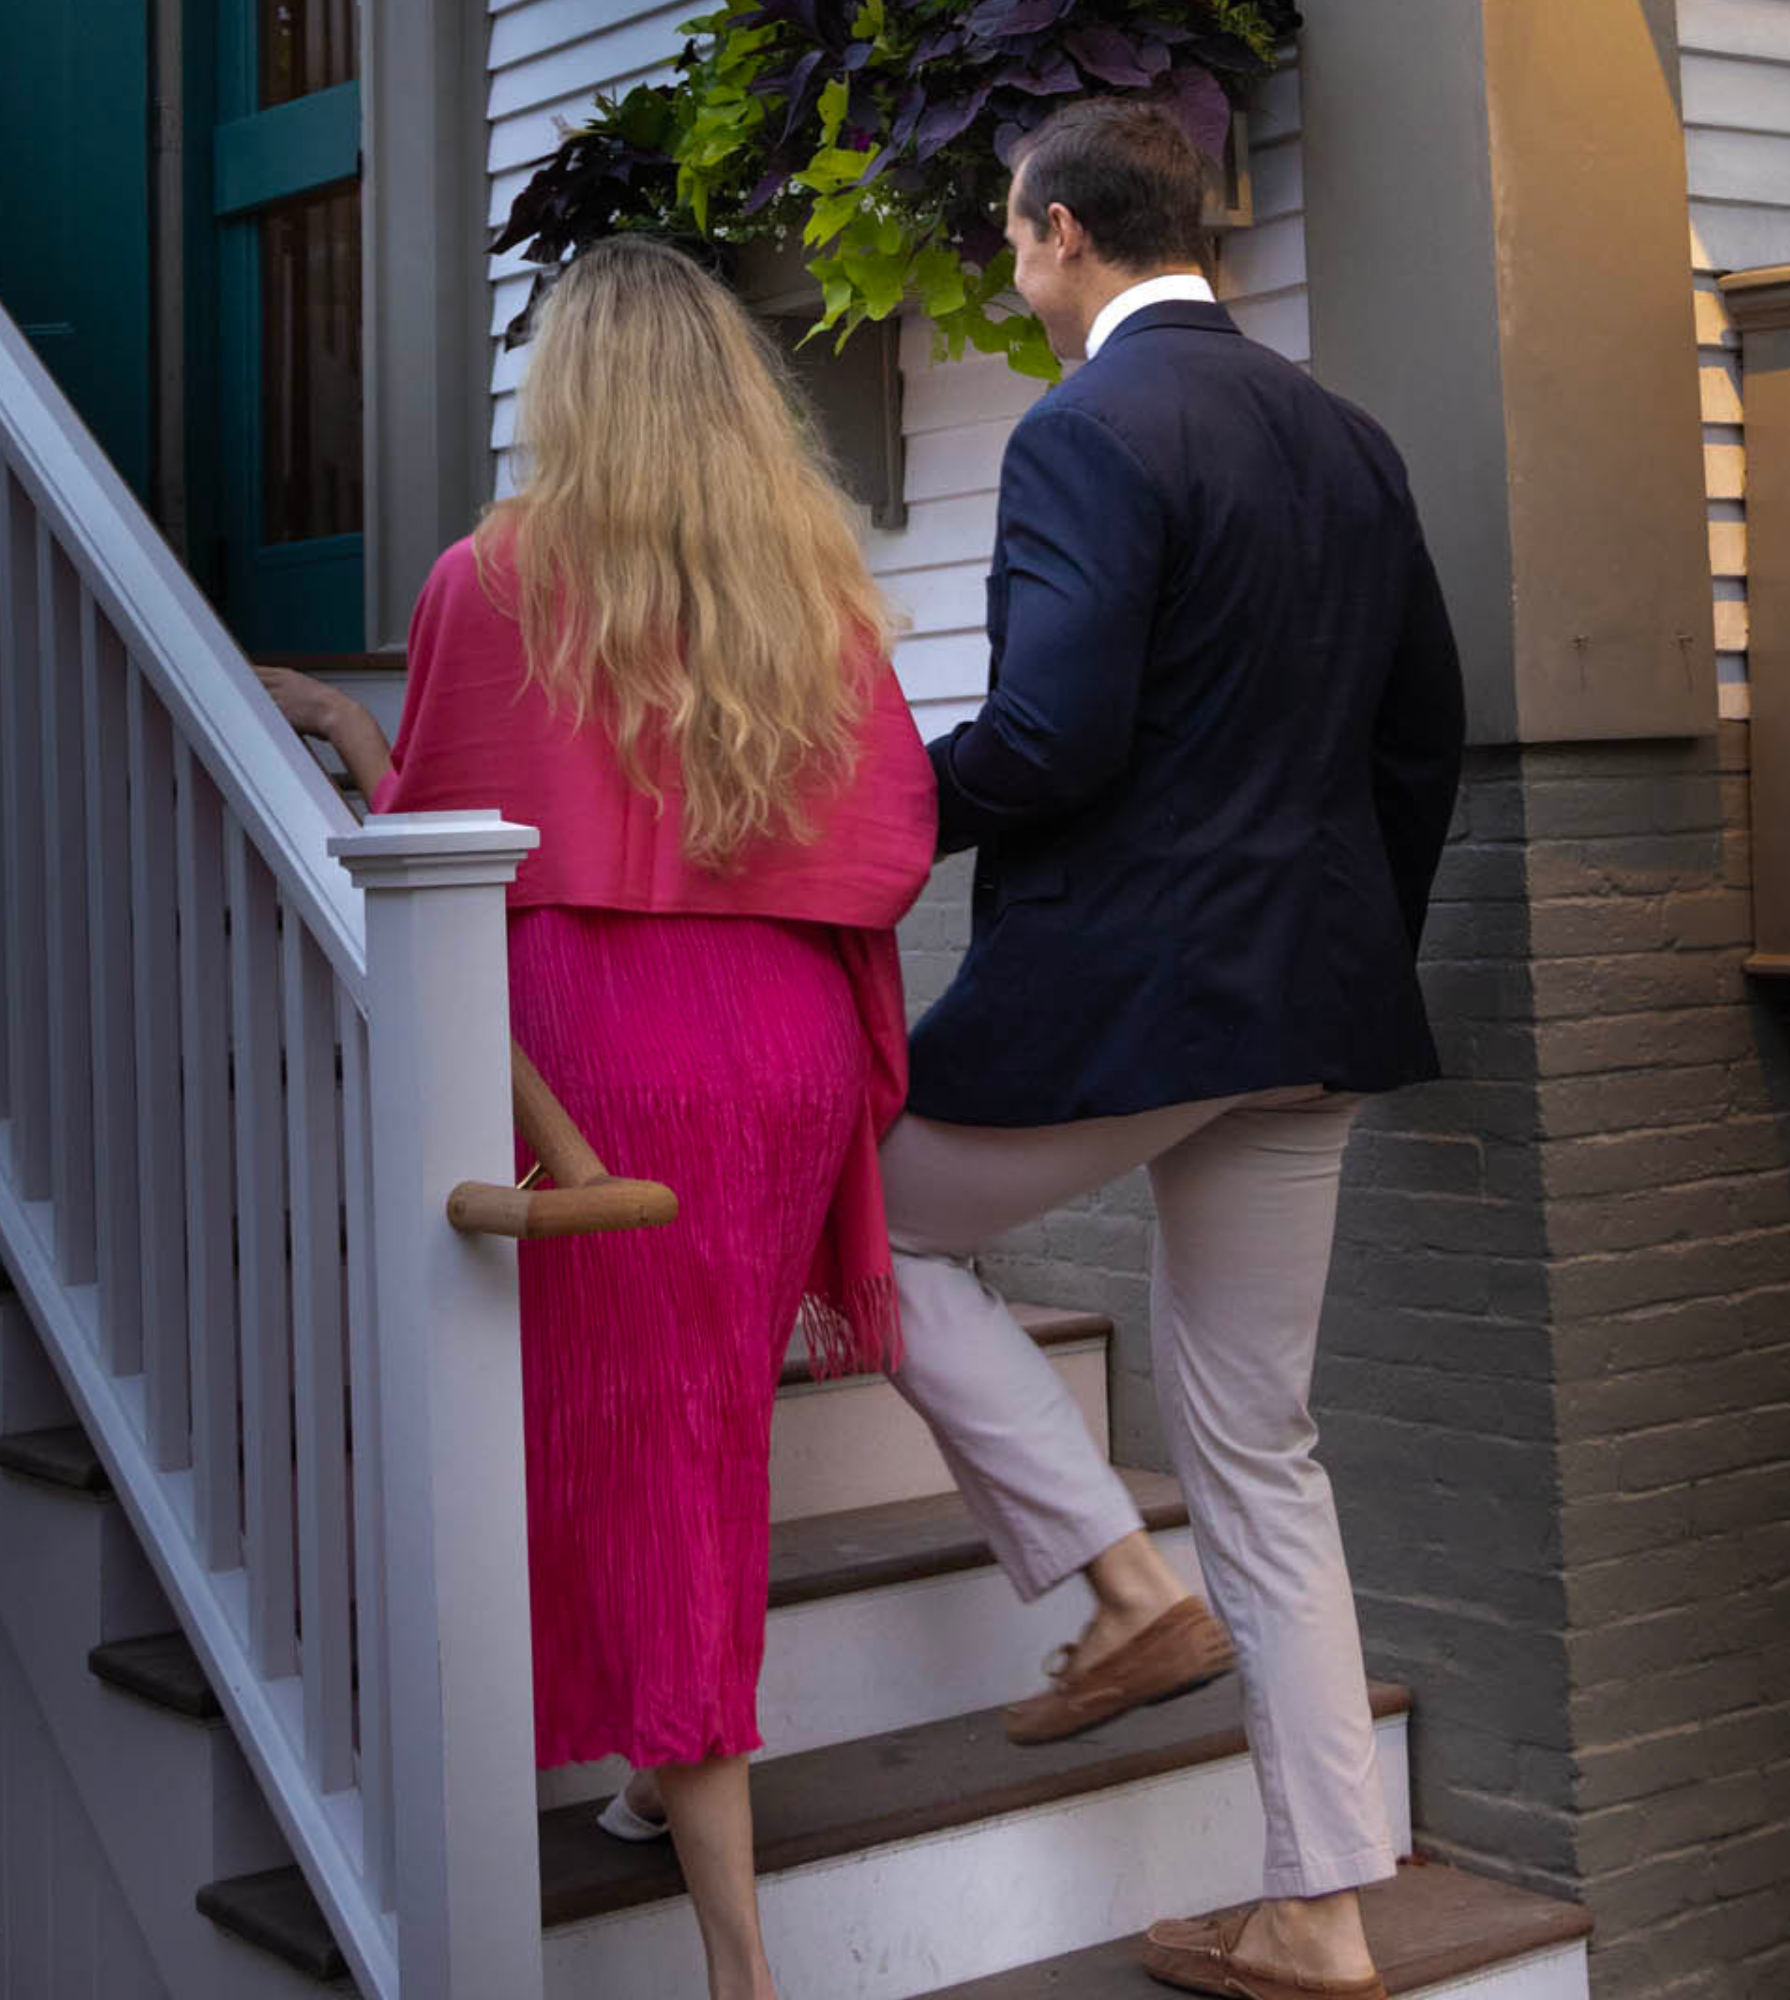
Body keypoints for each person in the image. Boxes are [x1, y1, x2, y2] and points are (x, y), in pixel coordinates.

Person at [257, 235, 937, 2000]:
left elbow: (436, 829)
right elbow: (889, 844)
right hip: (776, 1047)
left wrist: (342, 723)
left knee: (614, 1453)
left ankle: (739, 1958)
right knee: (697, 1437)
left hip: (593, 1057)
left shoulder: (491, 575)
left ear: (566, 390)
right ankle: (664, 1764)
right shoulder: (811, 579)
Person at [876, 100, 1465, 2000]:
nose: (1014, 265)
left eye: (1011, 237)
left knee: (857, 1223)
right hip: (1318, 1000)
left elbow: (1048, 739)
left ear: (1059, 234)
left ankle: (1121, 1587)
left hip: (1143, 1000)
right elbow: (1419, 744)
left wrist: (866, 809)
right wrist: (1346, 945)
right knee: (1264, 1450)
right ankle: (1318, 1913)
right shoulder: (1349, 439)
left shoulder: (1083, 431)